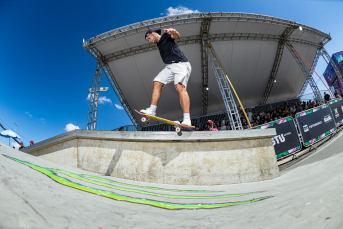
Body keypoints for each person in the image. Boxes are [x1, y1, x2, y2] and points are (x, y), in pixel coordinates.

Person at [140, 28, 192, 126]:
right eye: (148, 41)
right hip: (170, 66)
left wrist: (175, 32)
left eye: (150, 38)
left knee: (180, 87)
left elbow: (175, 36)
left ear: (153, 33)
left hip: (181, 64)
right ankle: (152, 110)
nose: (150, 41)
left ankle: (187, 119)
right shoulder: (159, 44)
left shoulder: (166, 36)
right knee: (157, 81)